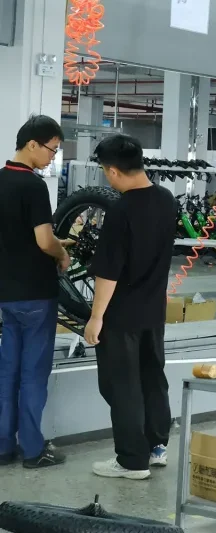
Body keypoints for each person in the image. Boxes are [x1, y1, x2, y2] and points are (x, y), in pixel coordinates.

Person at [83, 135, 177, 480]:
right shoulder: (166, 200)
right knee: (153, 378)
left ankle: (131, 461)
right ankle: (156, 447)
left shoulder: (122, 209)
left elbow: (108, 272)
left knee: (120, 386)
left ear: (112, 171)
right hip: (154, 311)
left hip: (121, 315)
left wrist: (95, 318)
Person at [0, 115, 69, 469]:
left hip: (6, 295)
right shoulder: (32, 185)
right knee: (33, 374)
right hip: (35, 295)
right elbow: (44, 241)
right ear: (32, 144)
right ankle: (31, 450)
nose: (51, 158)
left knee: (7, 370)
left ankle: (2, 447)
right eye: (51, 150)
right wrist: (63, 252)